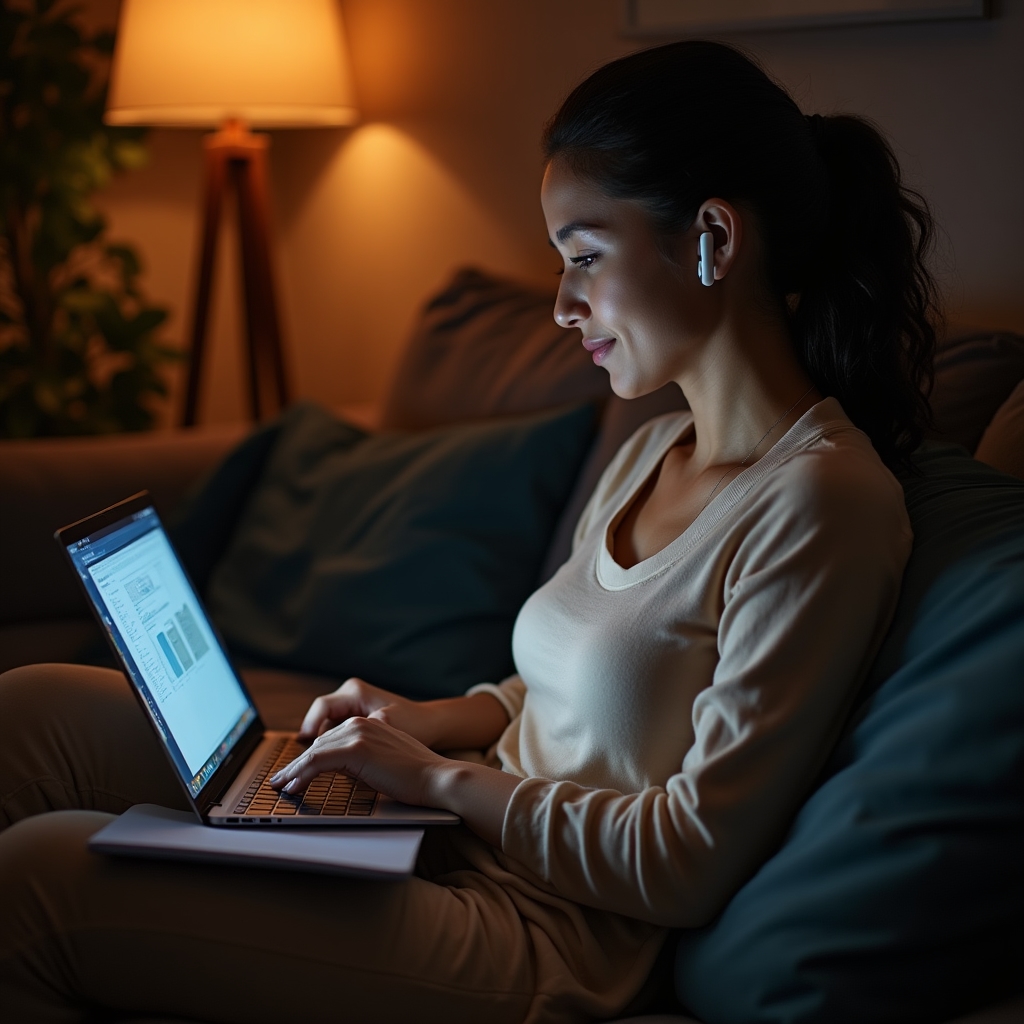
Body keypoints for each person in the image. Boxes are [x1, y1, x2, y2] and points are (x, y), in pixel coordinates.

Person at [0, 39, 935, 1023]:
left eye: (584, 256)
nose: (563, 304)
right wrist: (417, 719)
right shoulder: (653, 448)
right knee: (38, 710)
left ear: (711, 236)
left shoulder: (823, 505)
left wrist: (440, 781)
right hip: (446, 831)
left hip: (542, 927)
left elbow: (686, 859)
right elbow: (563, 687)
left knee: (37, 882)